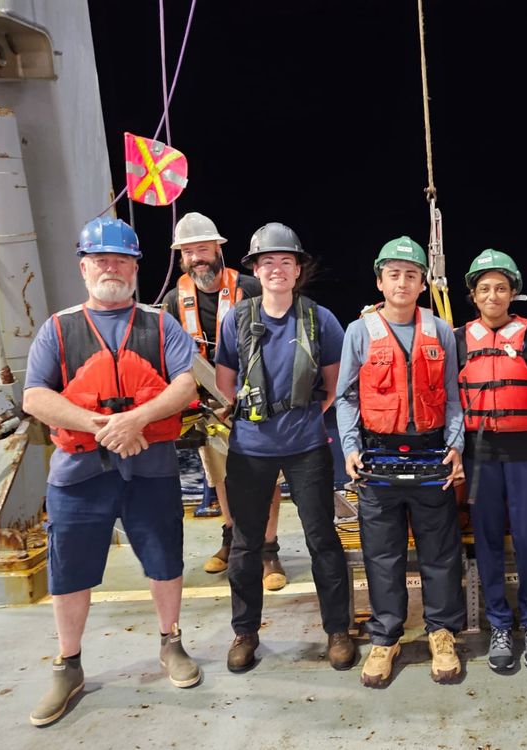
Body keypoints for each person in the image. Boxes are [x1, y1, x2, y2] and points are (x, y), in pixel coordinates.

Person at [23, 217, 200, 726]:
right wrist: (103, 425)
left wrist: (137, 418)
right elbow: (36, 396)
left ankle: (171, 642)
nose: (111, 268)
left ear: (135, 268)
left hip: (152, 466)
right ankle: (69, 664)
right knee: (69, 568)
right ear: (84, 268)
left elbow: (185, 385)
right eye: (101, 260)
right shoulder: (57, 329)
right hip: (79, 473)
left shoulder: (160, 324)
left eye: (121, 260)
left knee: (165, 558)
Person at [214, 222, 354, 673]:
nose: (276, 269)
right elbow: (224, 381)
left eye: (285, 262)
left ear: (298, 270)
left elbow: (332, 386)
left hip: (307, 446)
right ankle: (245, 633)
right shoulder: (236, 319)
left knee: (323, 540)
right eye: (267, 262)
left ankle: (337, 630)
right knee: (245, 544)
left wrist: (299, 414)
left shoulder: (319, 319)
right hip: (250, 449)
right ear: (255, 269)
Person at [335, 237, 466, 688]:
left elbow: (452, 395)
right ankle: (385, 637)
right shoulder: (361, 331)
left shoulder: (441, 330)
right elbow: (347, 396)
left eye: (412, 274)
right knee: (382, 553)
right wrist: (350, 447)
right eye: (394, 273)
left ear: (423, 283)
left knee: (441, 552)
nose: (403, 282)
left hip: (432, 453)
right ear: (380, 280)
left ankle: (442, 633)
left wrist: (455, 445)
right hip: (377, 455)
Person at [162, 212, 288, 587]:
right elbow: (171, 358)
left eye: (203, 249)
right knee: (221, 476)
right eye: (189, 252)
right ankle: (232, 539)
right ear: (181, 258)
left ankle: (269, 551)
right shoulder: (173, 300)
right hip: (208, 407)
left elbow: (279, 343)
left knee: (266, 478)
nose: (197, 258)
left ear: (218, 249)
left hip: (257, 403)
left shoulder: (250, 287)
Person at [454, 249, 527, 672]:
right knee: (487, 540)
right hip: (480, 454)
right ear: (473, 295)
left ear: (514, 293)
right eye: (485, 288)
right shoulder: (457, 339)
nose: (493, 295)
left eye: (501, 287)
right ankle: (498, 623)